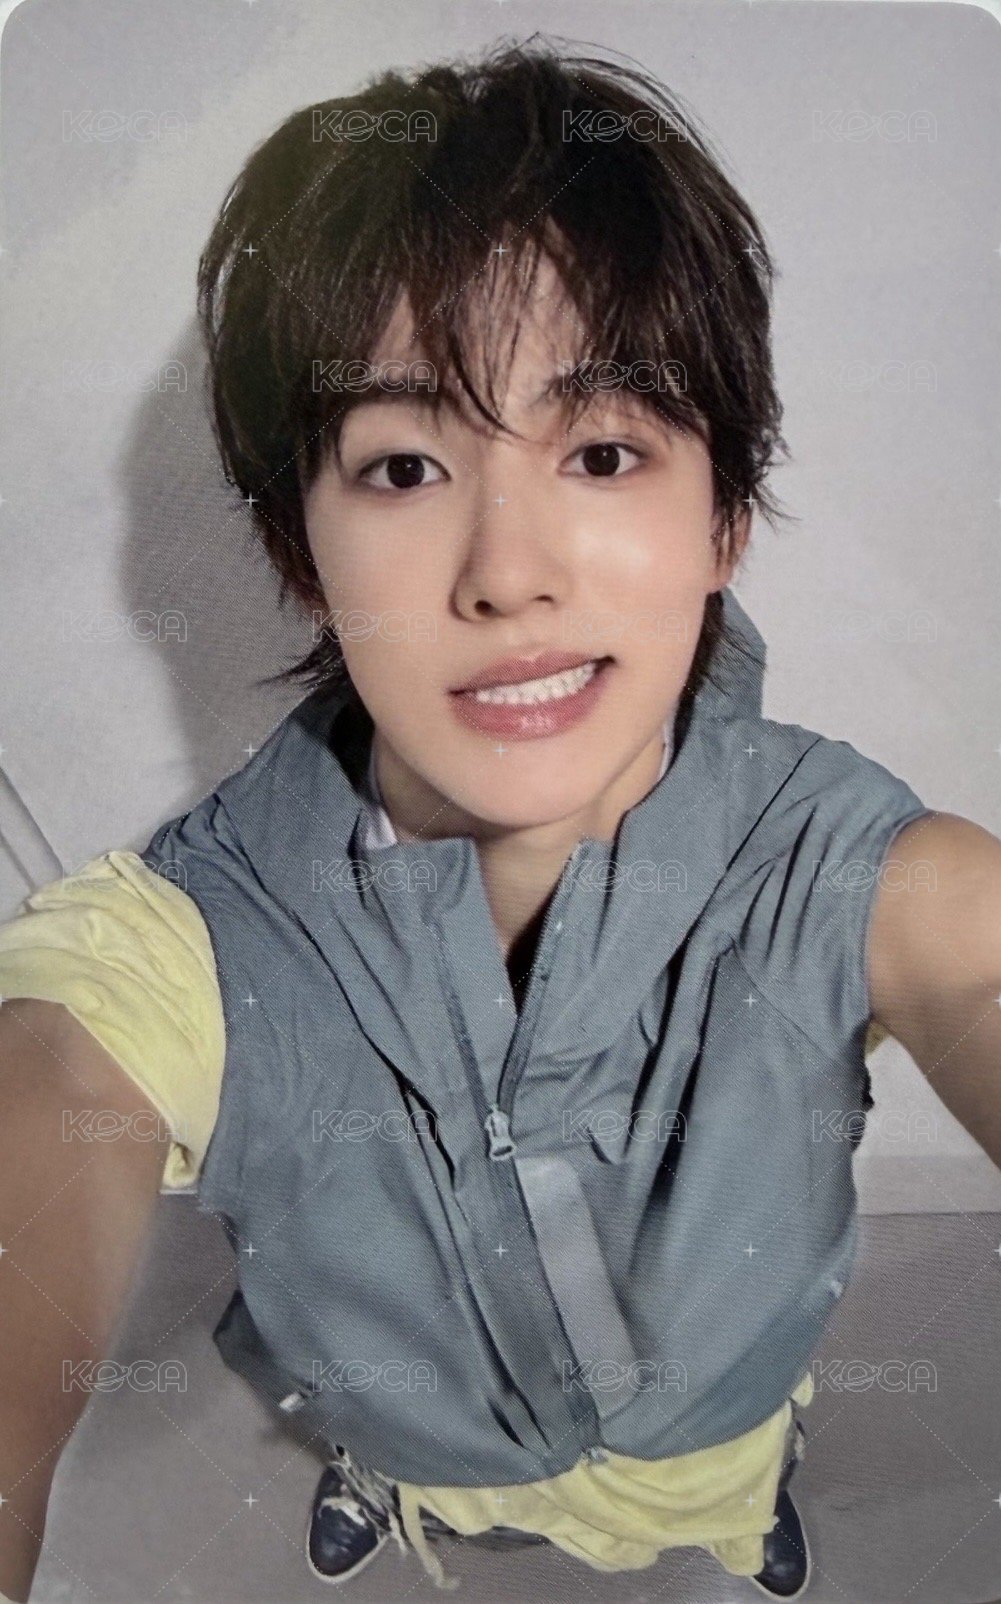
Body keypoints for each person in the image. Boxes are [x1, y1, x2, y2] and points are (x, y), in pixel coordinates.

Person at [2, 38, 999, 1604]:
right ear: (299, 549)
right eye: (404, 466)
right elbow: (52, 1090)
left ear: (723, 516)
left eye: (601, 452)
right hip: (419, 1436)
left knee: (726, 1486)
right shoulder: (193, 936)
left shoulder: (846, 865)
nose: (507, 574)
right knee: (392, 1444)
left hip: (708, 1437)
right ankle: (375, 1475)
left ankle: (749, 1507)